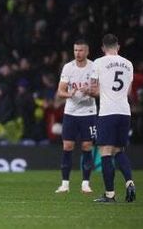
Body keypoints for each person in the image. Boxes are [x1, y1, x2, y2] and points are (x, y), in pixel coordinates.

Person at [91, 34, 136, 203]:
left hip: (107, 112)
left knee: (105, 152)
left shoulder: (98, 62)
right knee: (119, 151)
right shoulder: (128, 64)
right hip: (124, 112)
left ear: (103, 48)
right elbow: (129, 92)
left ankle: (110, 194)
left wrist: (90, 92)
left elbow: (94, 90)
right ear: (118, 47)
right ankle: (129, 182)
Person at [55, 39, 97, 194]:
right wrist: (69, 94)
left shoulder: (94, 67)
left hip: (88, 113)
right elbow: (60, 91)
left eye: (80, 50)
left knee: (87, 146)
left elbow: (98, 91)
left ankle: (85, 183)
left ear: (87, 51)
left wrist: (90, 91)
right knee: (67, 146)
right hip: (71, 112)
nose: (78, 53)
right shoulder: (68, 67)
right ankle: (65, 184)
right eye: (75, 50)